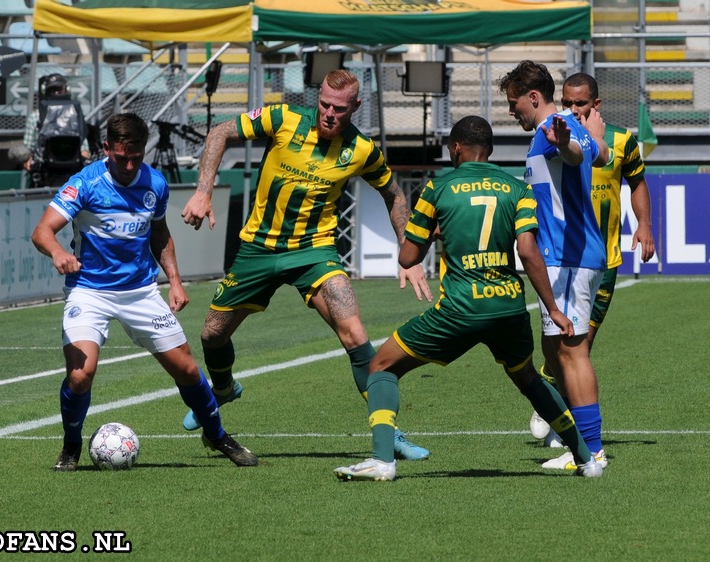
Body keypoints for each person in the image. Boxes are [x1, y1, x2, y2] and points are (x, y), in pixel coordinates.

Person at [179, 68, 434, 460]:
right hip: (258, 249)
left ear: (356, 107)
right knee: (212, 336)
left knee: (354, 334)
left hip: (315, 253)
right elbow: (219, 132)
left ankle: (389, 431)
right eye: (325, 105)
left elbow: (395, 195)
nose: (330, 114)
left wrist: (409, 253)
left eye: (340, 109)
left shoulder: (362, 150)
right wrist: (202, 191)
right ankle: (225, 388)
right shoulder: (282, 118)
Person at [333, 116, 603, 481]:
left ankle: (382, 460)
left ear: (456, 148)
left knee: (381, 367)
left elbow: (408, 257)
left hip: (460, 308)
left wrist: (436, 231)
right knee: (529, 379)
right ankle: (586, 459)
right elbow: (528, 251)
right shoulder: (516, 189)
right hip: (507, 306)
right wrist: (553, 308)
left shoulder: (437, 189)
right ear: (488, 150)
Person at [31, 112, 258, 471]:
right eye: (122, 157)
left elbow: (159, 234)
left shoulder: (155, 183)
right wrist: (59, 252)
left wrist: (176, 281)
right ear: (107, 148)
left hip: (140, 291)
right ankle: (71, 446)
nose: (129, 164)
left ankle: (217, 435)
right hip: (90, 291)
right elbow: (42, 231)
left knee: (185, 368)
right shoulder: (84, 183)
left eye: (136, 157)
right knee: (80, 375)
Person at [529, 72, 656, 442]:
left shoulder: (620, 141)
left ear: (596, 105)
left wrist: (644, 225)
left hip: (606, 259)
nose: (572, 109)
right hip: (568, 257)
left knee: (579, 344)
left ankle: (562, 413)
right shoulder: (557, 135)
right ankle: (567, 423)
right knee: (575, 345)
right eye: (567, 102)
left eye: (580, 103)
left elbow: (638, 182)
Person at [498, 60, 610, 471]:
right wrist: (594, 142)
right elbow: (595, 154)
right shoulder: (568, 123)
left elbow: (576, 155)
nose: (512, 112)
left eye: (514, 104)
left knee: (571, 351)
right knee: (553, 349)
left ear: (533, 97)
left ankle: (593, 450)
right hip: (565, 257)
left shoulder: (555, 130)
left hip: (569, 258)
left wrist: (568, 144)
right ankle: (577, 442)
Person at [23, 73, 91, 187]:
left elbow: (85, 151)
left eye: (58, 90)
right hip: (49, 173)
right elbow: (27, 152)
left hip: (67, 173)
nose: (56, 93)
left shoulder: (76, 115)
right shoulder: (35, 117)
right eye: (53, 90)